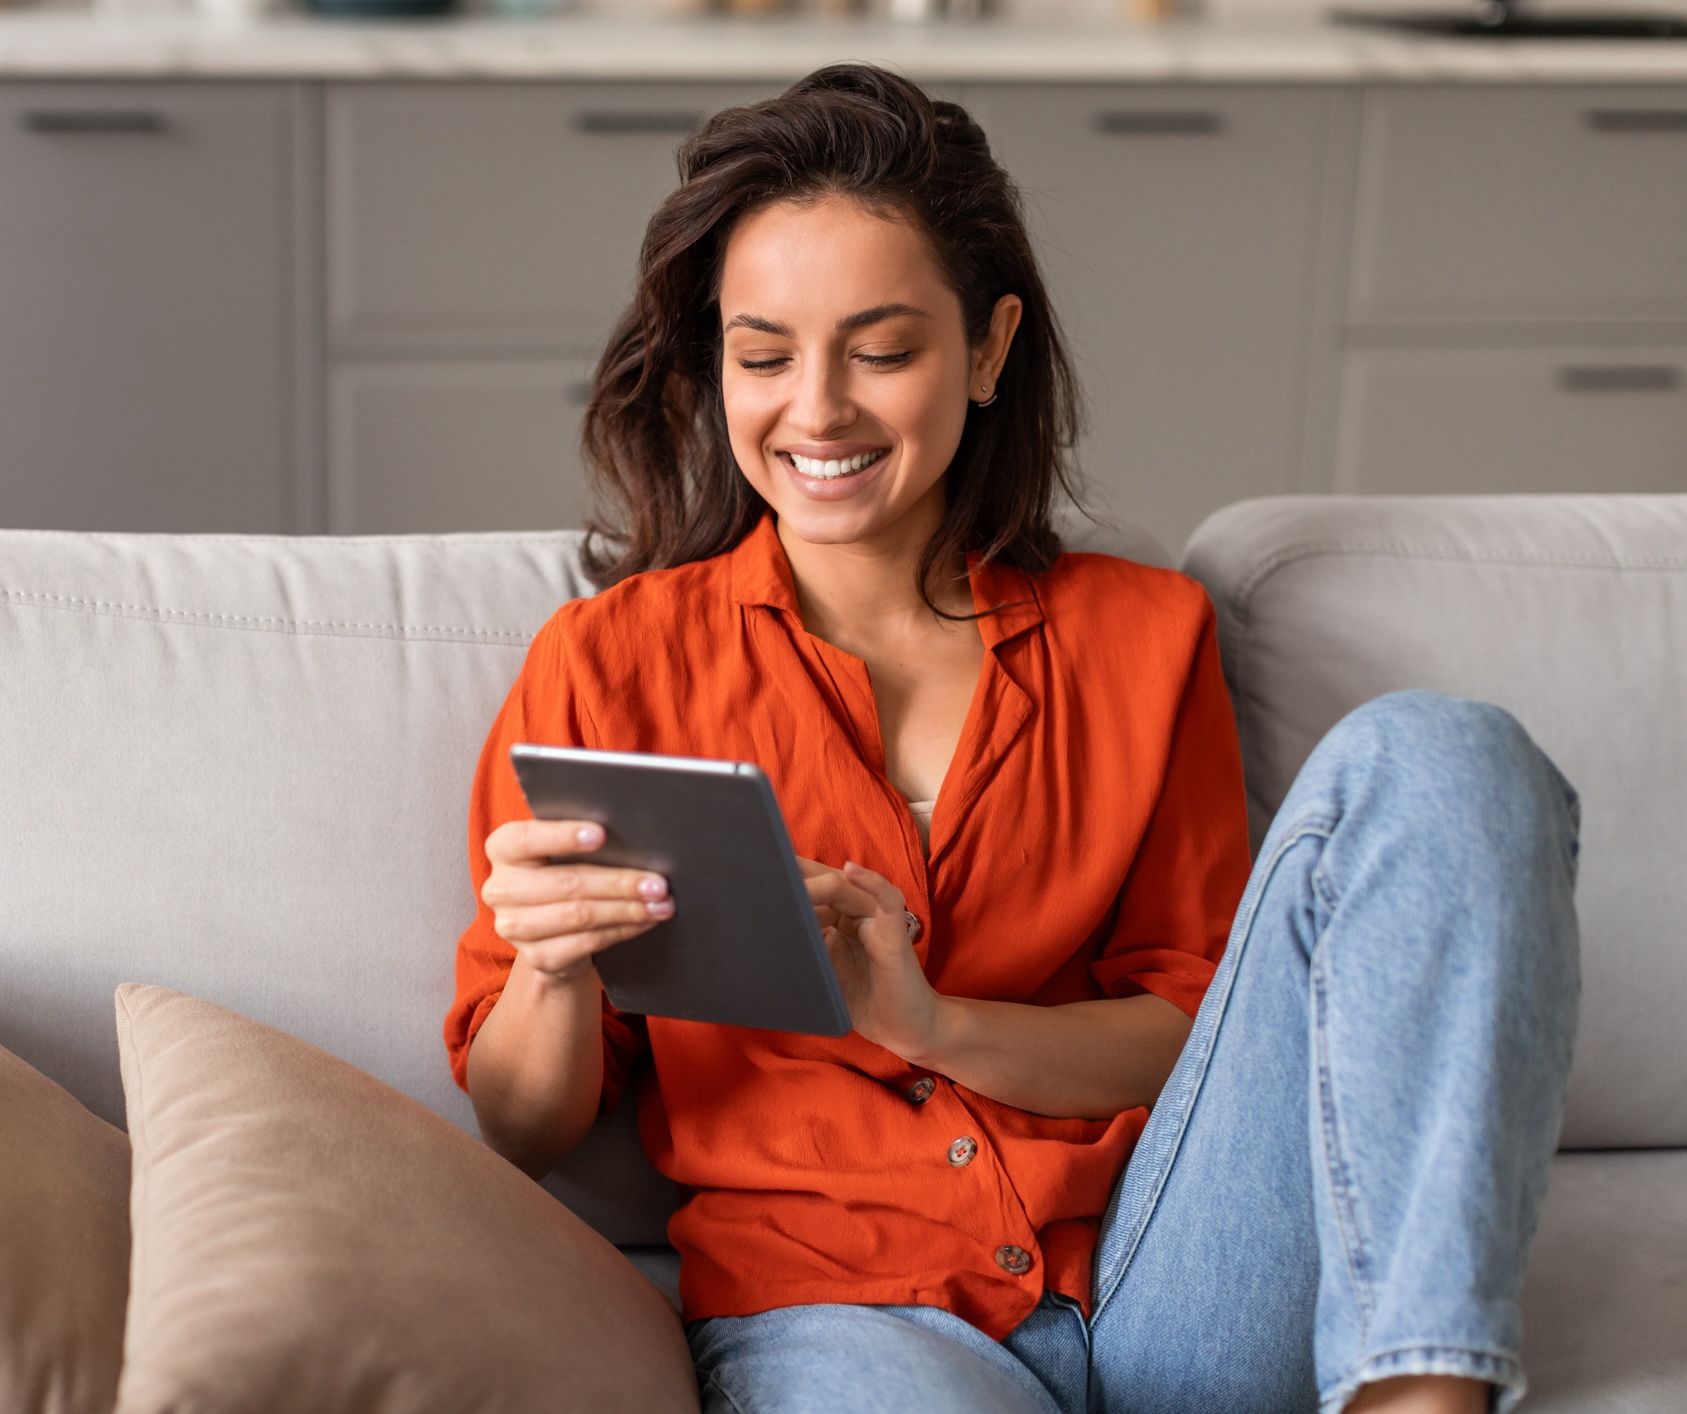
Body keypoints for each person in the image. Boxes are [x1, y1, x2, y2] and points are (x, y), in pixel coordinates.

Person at [444, 65, 1580, 1414]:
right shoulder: (612, 662)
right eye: (762, 355)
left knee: (1445, 755)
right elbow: (527, 1123)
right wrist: (557, 966)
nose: (817, 409)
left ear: (986, 350)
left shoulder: (1142, 640)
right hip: (844, 1310)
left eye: (881, 349)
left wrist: (930, 1023)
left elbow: (1199, 1034)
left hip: (1170, 1272)